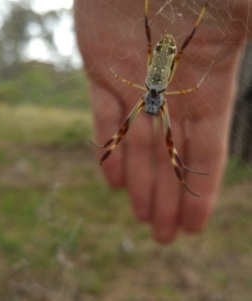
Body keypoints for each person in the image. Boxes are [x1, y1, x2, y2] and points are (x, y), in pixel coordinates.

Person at [74, 0, 251, 243]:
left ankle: (178, 173)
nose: (151, 106)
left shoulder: (148, 95)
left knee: (165, 140)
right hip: (161, 66)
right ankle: (119, 155)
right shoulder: (157, 96)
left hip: (161, 59)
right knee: (135, 133)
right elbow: (124, 128)